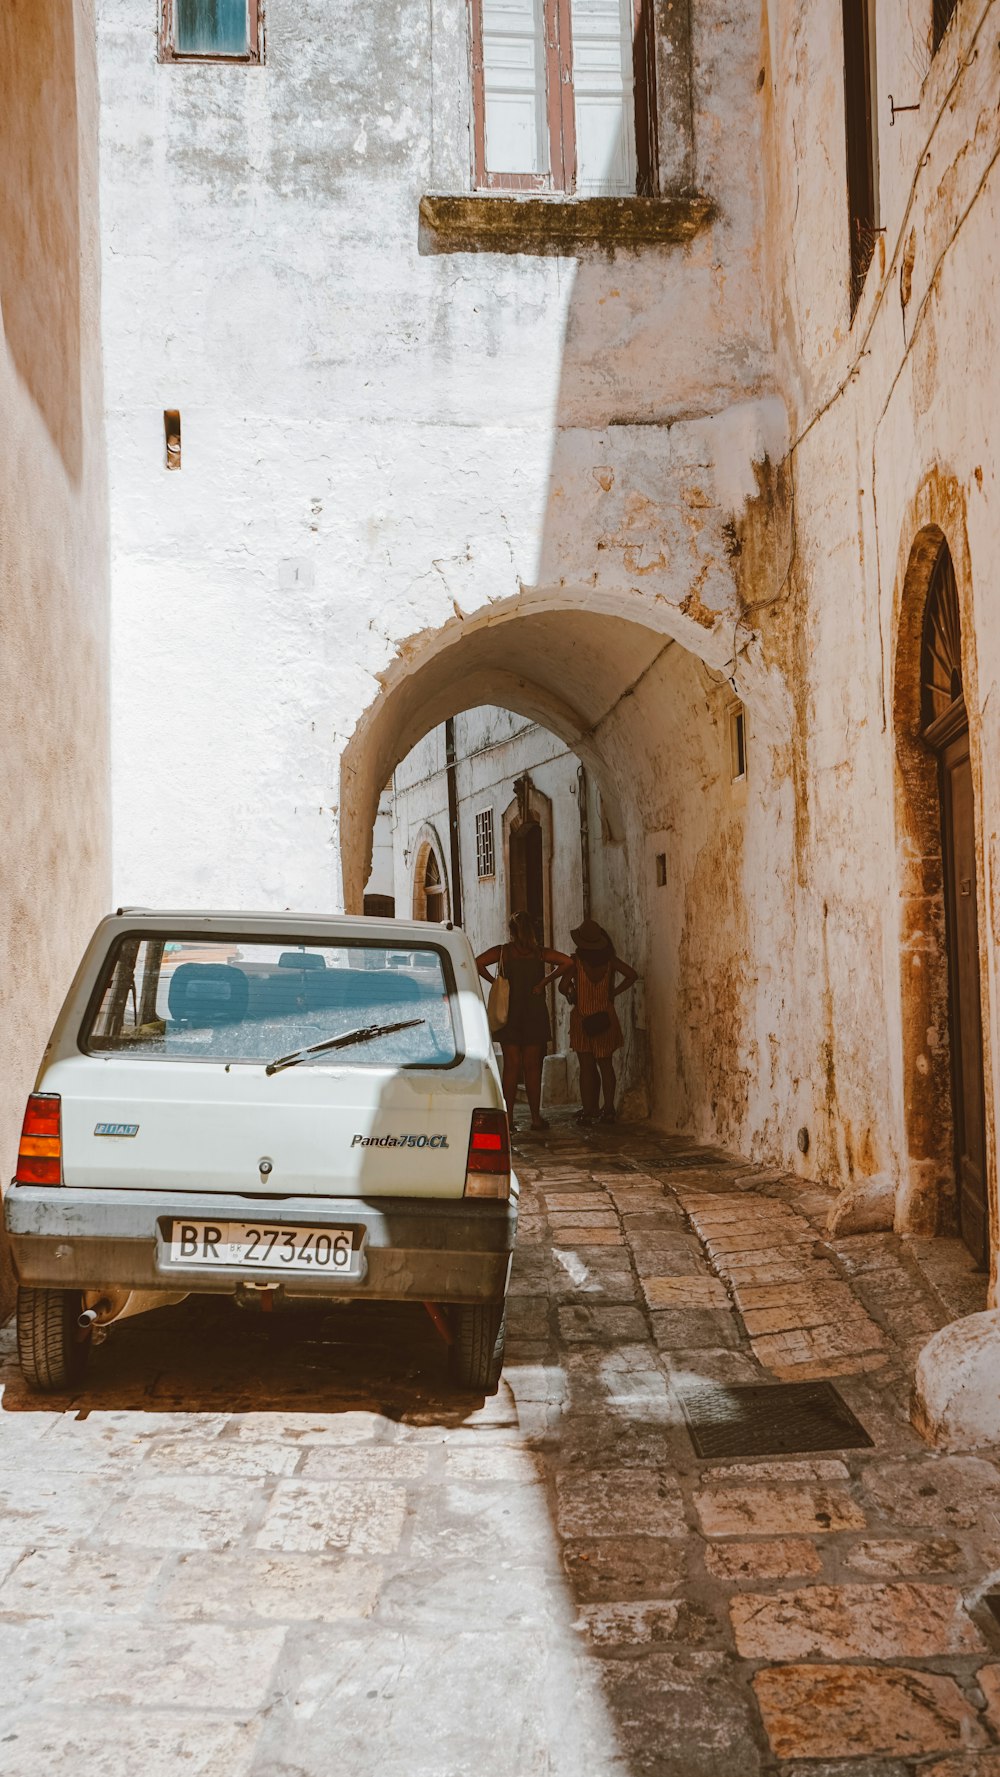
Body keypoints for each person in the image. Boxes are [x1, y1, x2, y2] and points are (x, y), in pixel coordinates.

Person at [477, 913, 571, 1132]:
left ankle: (508, 1121)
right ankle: (536, 1119)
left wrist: (497, 983)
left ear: (511, 931)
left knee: (511, 1067)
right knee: (532, 1067)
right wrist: (544, 982)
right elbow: (568, 962)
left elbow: (477, 963)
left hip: (510, 1013)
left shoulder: (503, 952)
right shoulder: (539, 954)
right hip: (534, 1012)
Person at [560, 919, 638, 1126]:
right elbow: (631, 975)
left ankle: (589, 1110)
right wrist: (613, 992)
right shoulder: (610, 961)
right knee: (606, 1064)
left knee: (586, 1066)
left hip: (582, 1019)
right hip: (605, 1017)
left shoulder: (576, 962)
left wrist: (572, 993)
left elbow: (563, 985)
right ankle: (609, 1109)